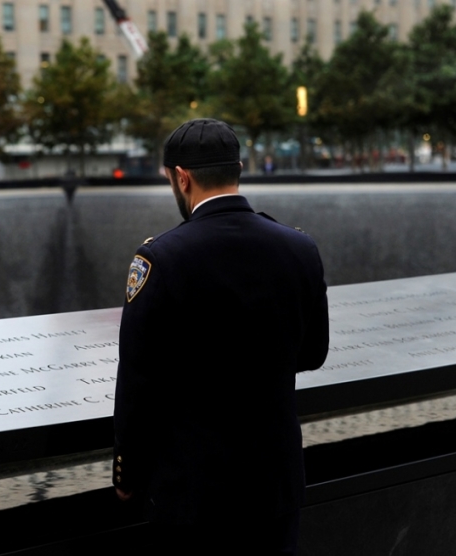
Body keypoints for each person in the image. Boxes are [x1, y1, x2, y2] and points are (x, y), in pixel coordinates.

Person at [112, 118, 329, 554]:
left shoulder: (161, 259)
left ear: (182, 177)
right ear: (240, 168)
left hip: (193, 494)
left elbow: (138, 380)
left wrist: (127, 475)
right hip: (275, 484)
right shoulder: (299, 248)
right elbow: (313, 353)